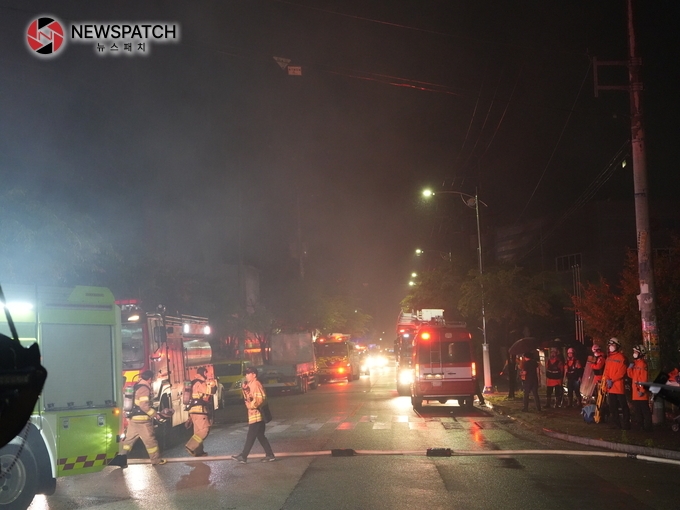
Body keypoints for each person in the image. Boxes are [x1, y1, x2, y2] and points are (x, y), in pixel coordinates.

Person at [121, 370, 166, 466]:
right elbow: (144, 406)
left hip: (133, 420)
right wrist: (155, 414)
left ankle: (120, 460)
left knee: (128, 442)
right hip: (142, 421)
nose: (151, 381)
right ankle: (156, 460)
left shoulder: (136, 386)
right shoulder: (144, 388)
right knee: (151, 441)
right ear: (149, 378)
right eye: (151, 379)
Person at [232, 367, 275, 463]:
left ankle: (243, 456)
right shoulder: (251, 384)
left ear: (254, 375)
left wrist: (251, 406)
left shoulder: (256, 384)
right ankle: (270, 455)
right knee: (260, 436)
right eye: (246, 374)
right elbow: (250, 397)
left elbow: (260, 399)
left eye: (248, 373)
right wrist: (245, 389)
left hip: (257, 415)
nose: (246, 375)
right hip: (255, 415)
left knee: (250, 436)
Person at [185, 366, 217, 457]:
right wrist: (212, 382)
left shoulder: (193, 382)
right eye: (206, 373)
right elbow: (211, 391)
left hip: (193, 411)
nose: (207, 375)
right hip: (200, 410)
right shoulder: (200, 383)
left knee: (198, 431)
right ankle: (190, 446)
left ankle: (198, 452)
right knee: (204, 430)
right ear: (203, 373)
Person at [603, 337, 630, 429]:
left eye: (612, 345)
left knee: (623, 406)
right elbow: (606, 371)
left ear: (617, 346)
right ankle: (616, 424)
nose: (610, 347)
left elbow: (622, 372)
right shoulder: (609, 358)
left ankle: (626, 424)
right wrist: (607, 380)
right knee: (612, 407)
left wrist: (612, 380)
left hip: (618, 386)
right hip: (611, 387)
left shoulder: (621, 358)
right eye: (610, 345)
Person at [627, 344, 653, 432]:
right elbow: (631, 375)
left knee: (645, 411)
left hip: (640, 393)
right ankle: (640, 426)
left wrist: (642, 390)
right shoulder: (636, 364)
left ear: (640, 353)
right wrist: (629, 368)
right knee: (638, 411)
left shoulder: (642, 365)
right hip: (635, 392)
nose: (634, 353)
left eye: (635, 352)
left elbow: (644, 379)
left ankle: (648, 427)